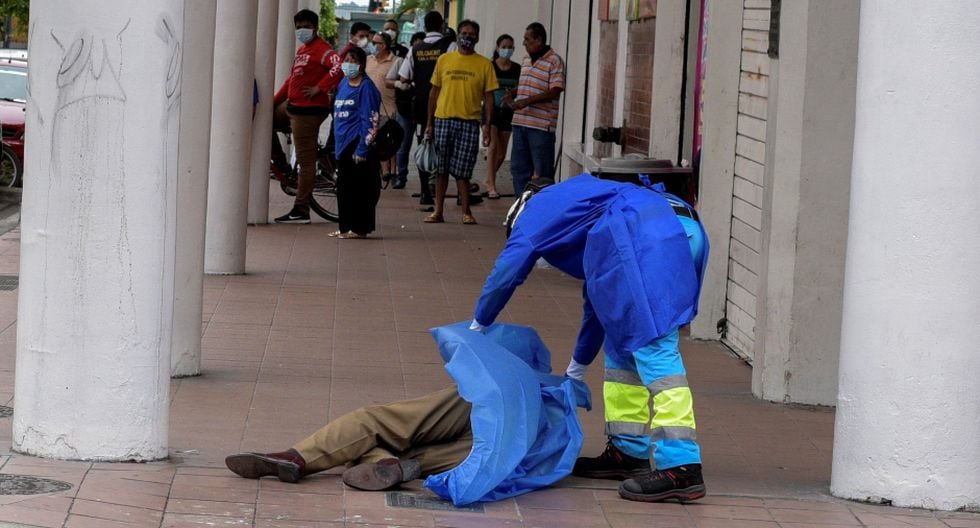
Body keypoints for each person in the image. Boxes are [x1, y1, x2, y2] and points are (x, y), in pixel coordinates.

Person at [470, 175, 710, 503]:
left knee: (656, 347)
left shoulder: (534, 215)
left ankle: (682, 467)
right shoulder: (580, 201)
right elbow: (598, 304)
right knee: (623, 343)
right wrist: (576, 369)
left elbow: (506, 273)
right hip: (674, 226)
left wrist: (477, 326)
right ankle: (628, 452)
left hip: (648, 237)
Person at [225, 386, 470, 490]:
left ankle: (298, 458)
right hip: (494, 445)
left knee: (377, 423)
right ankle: (388, 465)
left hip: (495, 410)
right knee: (410, 449)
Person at [422, 20, 498, 225]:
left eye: (472, 34)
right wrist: (429, 123)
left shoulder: (484, 64)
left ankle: (466, 212)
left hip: (469, 123)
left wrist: (487, 126)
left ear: (478, 37)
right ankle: (438, 211)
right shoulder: (444, 60)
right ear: (457, 36)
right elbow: (433, 93)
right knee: (441, 170)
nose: (468, 37)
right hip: (443, 120)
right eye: (464, 32)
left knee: (463, 172)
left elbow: (489, 98)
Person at [272, 9, 343, 224]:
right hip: (292, 107)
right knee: (265, 124)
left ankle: (301, 210)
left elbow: (339, 66)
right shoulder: (303, 50)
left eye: (306, 26)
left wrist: (319, 88)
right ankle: (283, 168)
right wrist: (273, 103)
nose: (302, 30)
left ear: (315, 28)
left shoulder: (323, 50)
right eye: (299, 27)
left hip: (307, 112)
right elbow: (290, 81)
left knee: (306, 162)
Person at [398, 11, 456, 210]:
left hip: (422, 104)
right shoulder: (450, 46)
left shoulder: (415, 49)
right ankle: (442, 187)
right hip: (447, 103)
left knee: (425, 144)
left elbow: (404, 77)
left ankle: (425, 191)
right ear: (442, 26)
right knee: (447, 147)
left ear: (424, 27)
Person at [503, 22, 565, 197]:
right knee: (519, 170)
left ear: (539, 40)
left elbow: (555, 90)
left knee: (542, 174)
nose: (524, 43)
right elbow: (525, 85)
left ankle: (540, 214)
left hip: (540, 128)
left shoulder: (554, 61)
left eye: (527, 39)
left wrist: (527, 101)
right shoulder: (526, 60)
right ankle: (520, 209)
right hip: (520, 123)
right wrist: (514, 93)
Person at [330, 47, 381, 239]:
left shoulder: (366, 87)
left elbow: (370, 119)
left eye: (353, 60)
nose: (348, 63)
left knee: (359, 188)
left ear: (361, 64)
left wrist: (363, 148)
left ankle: (359, 228)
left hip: (357, 143)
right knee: (343, 188)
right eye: (346, 59)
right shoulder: (343, 83)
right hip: (342, 143)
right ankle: (345, 227)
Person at [386, 31, 425, 190]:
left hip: (424, 109)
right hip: (405, 108)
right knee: (402, 144)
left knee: (426, 144)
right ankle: (401, 176)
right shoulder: (403, 59)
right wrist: (399, 84)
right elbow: (389, 80)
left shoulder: (433, 62)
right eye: (417, 43)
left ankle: (427, 180)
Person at [484, 34, 519, 199]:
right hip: (491, 110)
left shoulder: (517, 69)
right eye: (504, 47)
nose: (507, 50)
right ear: (498, 48)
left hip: (507, 111)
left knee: (501, 153)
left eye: (510, 47)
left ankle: (489, 177)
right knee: (492, 147)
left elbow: (520, 88)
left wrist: (511, 96)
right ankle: (491, 185)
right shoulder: (490, 66)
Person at [365, 32, 399, 184]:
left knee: (388, 140)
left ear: (385, 45)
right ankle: (384, 170)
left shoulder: (396, 61)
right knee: (375, 139)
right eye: (373, 43)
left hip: (388, 107)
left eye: (377, 43)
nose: (374, 46)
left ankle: (393, 170)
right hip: (369, 108)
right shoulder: (368, 60)